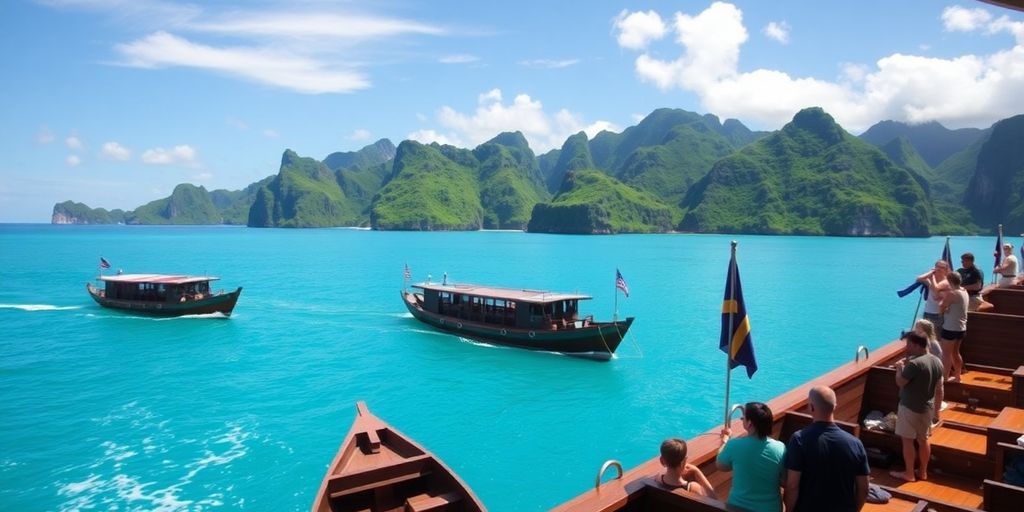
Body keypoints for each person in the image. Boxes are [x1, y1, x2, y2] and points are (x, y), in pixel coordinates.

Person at [784, 386, 869, 512]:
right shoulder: (855, 443)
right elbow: (863, 488)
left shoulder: (799, 440)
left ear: (811, 407)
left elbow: (792, 486)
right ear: (834, 407)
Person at [890, 331, 944, 482]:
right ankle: (923, 472)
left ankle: (909, 473)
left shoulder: (915, 364)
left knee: (907, 440)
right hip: (927, 408)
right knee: (923, 440)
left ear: (915, 345)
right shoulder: (936, 361)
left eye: (908, 344)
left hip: (909, 407)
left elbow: (900, 382)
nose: (906, 348)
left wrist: (899, 368)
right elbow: (938, 388)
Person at [717, 402, 786, 512]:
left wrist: (725, 440)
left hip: (737, 508)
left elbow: (720, 465)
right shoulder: (780, 448)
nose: (742, 418)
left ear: (749, 424)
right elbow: (784, 479)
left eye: (743, 417)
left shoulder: (734, 445)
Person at [912, 319, 945, 424]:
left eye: (917, 327)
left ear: (924, 330)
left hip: (934, 370)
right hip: (926, 370)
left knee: (938, 390)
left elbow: (938, 358)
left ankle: (936, 413)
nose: (915, 329)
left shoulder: (932, 343)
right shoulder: (919, 342)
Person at [940, 272, 969, 383]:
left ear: (950, 281)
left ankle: (945, 378)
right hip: (961, 328)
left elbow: (941, 308)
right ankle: (957, 377)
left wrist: (944, 308)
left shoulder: (952, 294)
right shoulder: (964, 291)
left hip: (950, 327)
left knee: (946, 354)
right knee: (955, 353)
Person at [916, 260, 949, 333]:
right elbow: (918, 278)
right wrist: (930, 273)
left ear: (946, 270)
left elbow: (936, 292)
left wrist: (931, 281)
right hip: (928, 311)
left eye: (942, 267)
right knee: (926, 335)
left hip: (939, 314)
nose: (939, 269)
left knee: (937, 335)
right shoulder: (930, 280)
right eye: (937, 267)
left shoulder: (947, 282)